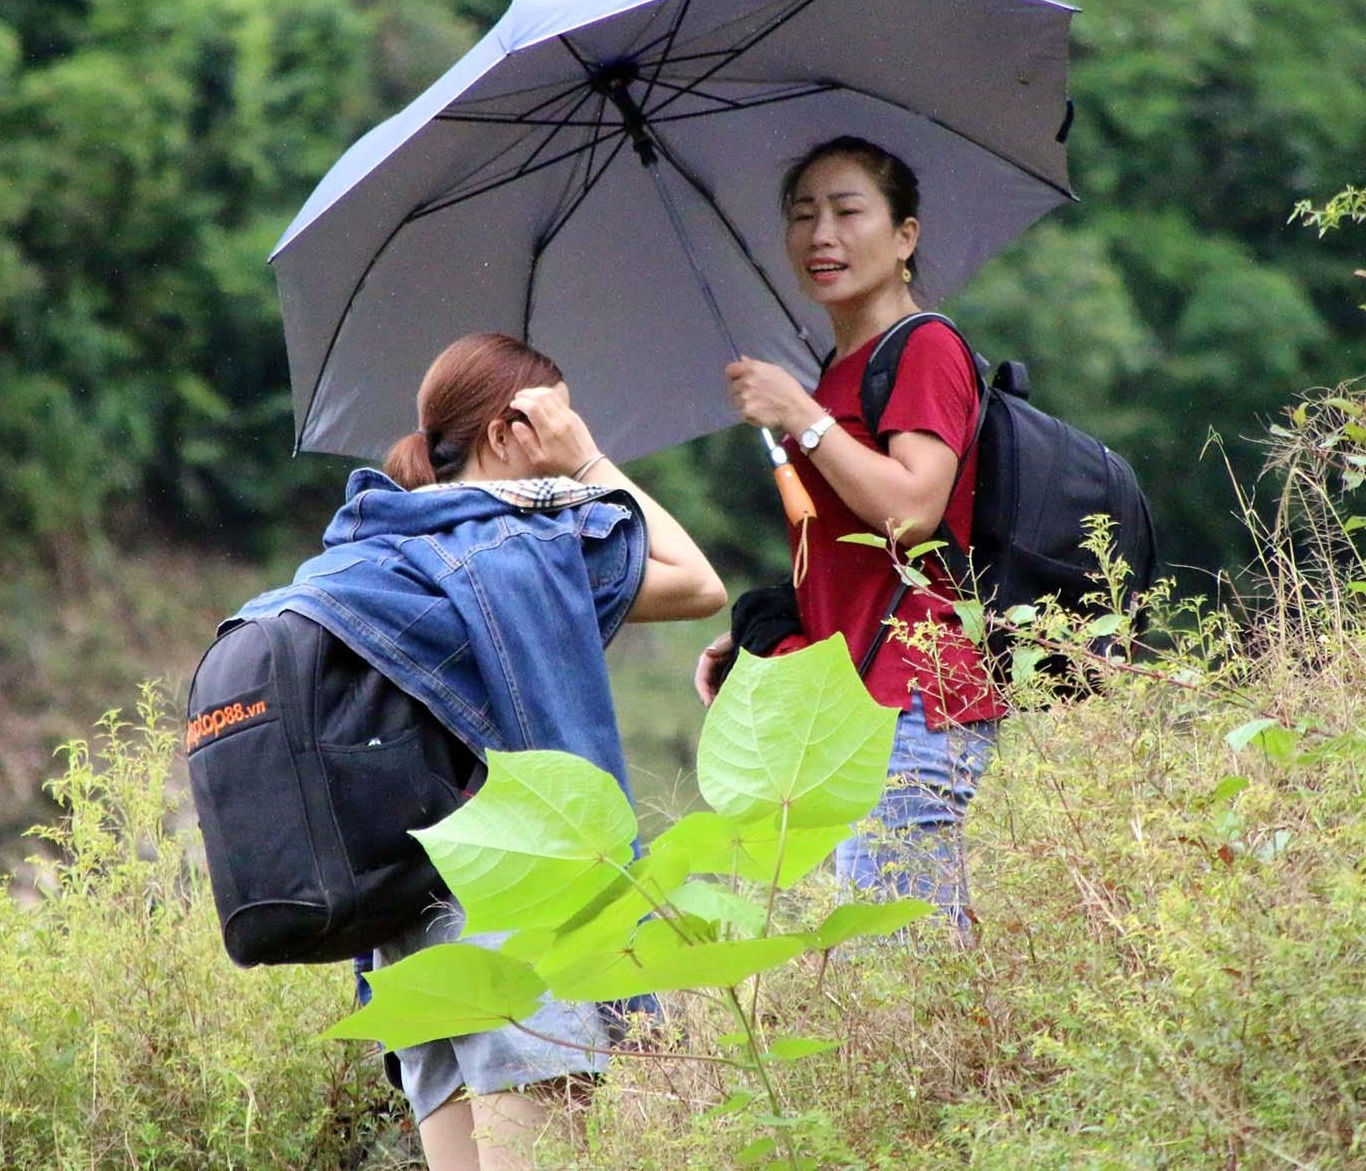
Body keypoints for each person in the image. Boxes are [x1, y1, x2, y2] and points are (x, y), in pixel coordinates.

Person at [241, 333, 725, 1170]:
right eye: (561, 416)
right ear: (508, 431)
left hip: (406, 936)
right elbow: (699, 581)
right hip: (515, 920)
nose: (573, 432)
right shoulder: (528, 552)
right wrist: (590, 461)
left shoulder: (364, 557)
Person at [696, 135, 1003, 937]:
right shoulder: (839, 370)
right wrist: (766, 643)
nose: (821, 235)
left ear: (905, 235)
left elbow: (911, 511)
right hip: (860, 702)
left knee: (901, 961)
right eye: (803, 216)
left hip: (917, 692)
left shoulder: (925, 348)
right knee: (898, 952)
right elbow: (845, 558)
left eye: (847, 210)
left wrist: (802, 414)